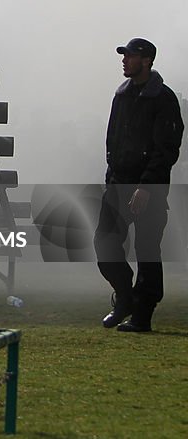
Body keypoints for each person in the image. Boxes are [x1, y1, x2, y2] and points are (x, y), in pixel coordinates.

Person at [95, 38, 183, 332]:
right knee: (104, 244)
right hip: (118, 185)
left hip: (150, 190)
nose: (124, 60)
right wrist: (111, 178)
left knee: (147, 252)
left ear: (146, 61)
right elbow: (114, 140)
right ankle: (124, 298)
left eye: (130, 56)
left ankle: (142, 314)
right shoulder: (121, 96)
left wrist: (146, 186)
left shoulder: (164, 99)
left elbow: (166, 148)